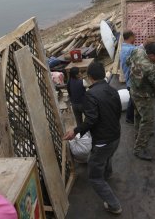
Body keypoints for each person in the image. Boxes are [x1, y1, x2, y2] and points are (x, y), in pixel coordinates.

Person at [63, 61, 123, 215]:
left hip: (103, 141)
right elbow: (117, 112)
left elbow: (91, 120)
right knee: (107, 156)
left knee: (94, 176)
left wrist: (75, 131)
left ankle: (114, 205)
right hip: (116, 135)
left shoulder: (90, 94)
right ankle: (107, 175)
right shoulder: (112, 90)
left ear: (89, 77)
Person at [127, 42, 155, 161]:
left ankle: (139, 135)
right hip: (143, 96)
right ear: (151, 55)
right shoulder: (149, 67)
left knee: (139, 116)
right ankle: (139, 149)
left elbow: (127, 61)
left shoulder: (138, 51)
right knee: (147, 121)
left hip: (133, 90)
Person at [119, 30, 137, 124]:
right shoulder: (130, 50)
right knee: (134, 100)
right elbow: (138, 51)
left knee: (132, 98)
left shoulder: (124, 48)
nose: (135, 38)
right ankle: (130, 119)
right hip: (132, 80)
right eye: (134, 36)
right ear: (130, 37)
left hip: (128, 78)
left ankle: (129, 118)